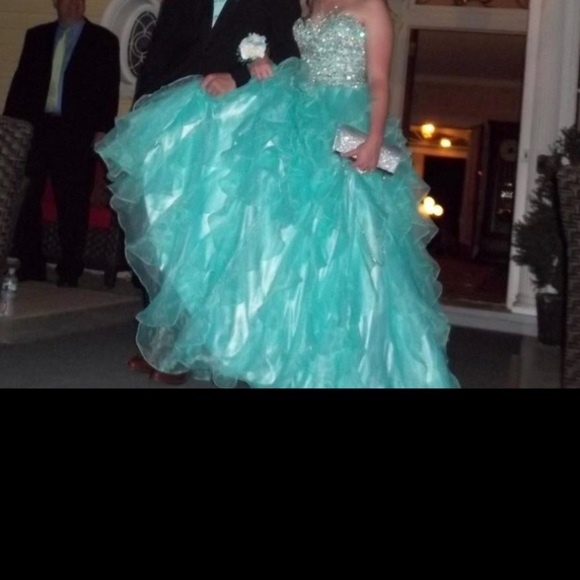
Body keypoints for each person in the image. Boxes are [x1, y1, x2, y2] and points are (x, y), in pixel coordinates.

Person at [97, 0, 459, 388]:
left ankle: (358, 362)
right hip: (302, 114)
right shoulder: (311, 3)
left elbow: (379, 80)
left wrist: (372, 139)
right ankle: (287, 356)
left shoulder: (372, 6)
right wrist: (260, 61)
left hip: (345, 120)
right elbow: (293, 59)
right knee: (290, 246)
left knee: (352, 240)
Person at [123, 0, 301, 384]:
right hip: (174, 115)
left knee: (206, 235)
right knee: (165, 229)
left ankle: (198, 347)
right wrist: (141, 115)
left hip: (233, 124)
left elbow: (290, 57)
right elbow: (159, 52)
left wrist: (238, 76)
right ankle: (165, 345)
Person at [4, 0, 120, 287]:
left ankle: (70, 270)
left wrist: (102, 129)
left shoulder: (103, 41)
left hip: (76, 132)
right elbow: (21, 83)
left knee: (72, 202)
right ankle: (31, 265)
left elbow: (110, 87)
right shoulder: (37, 37)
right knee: (26, 197)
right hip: (37, 129)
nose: (73, 5)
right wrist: (11, 126)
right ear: (55, 3)